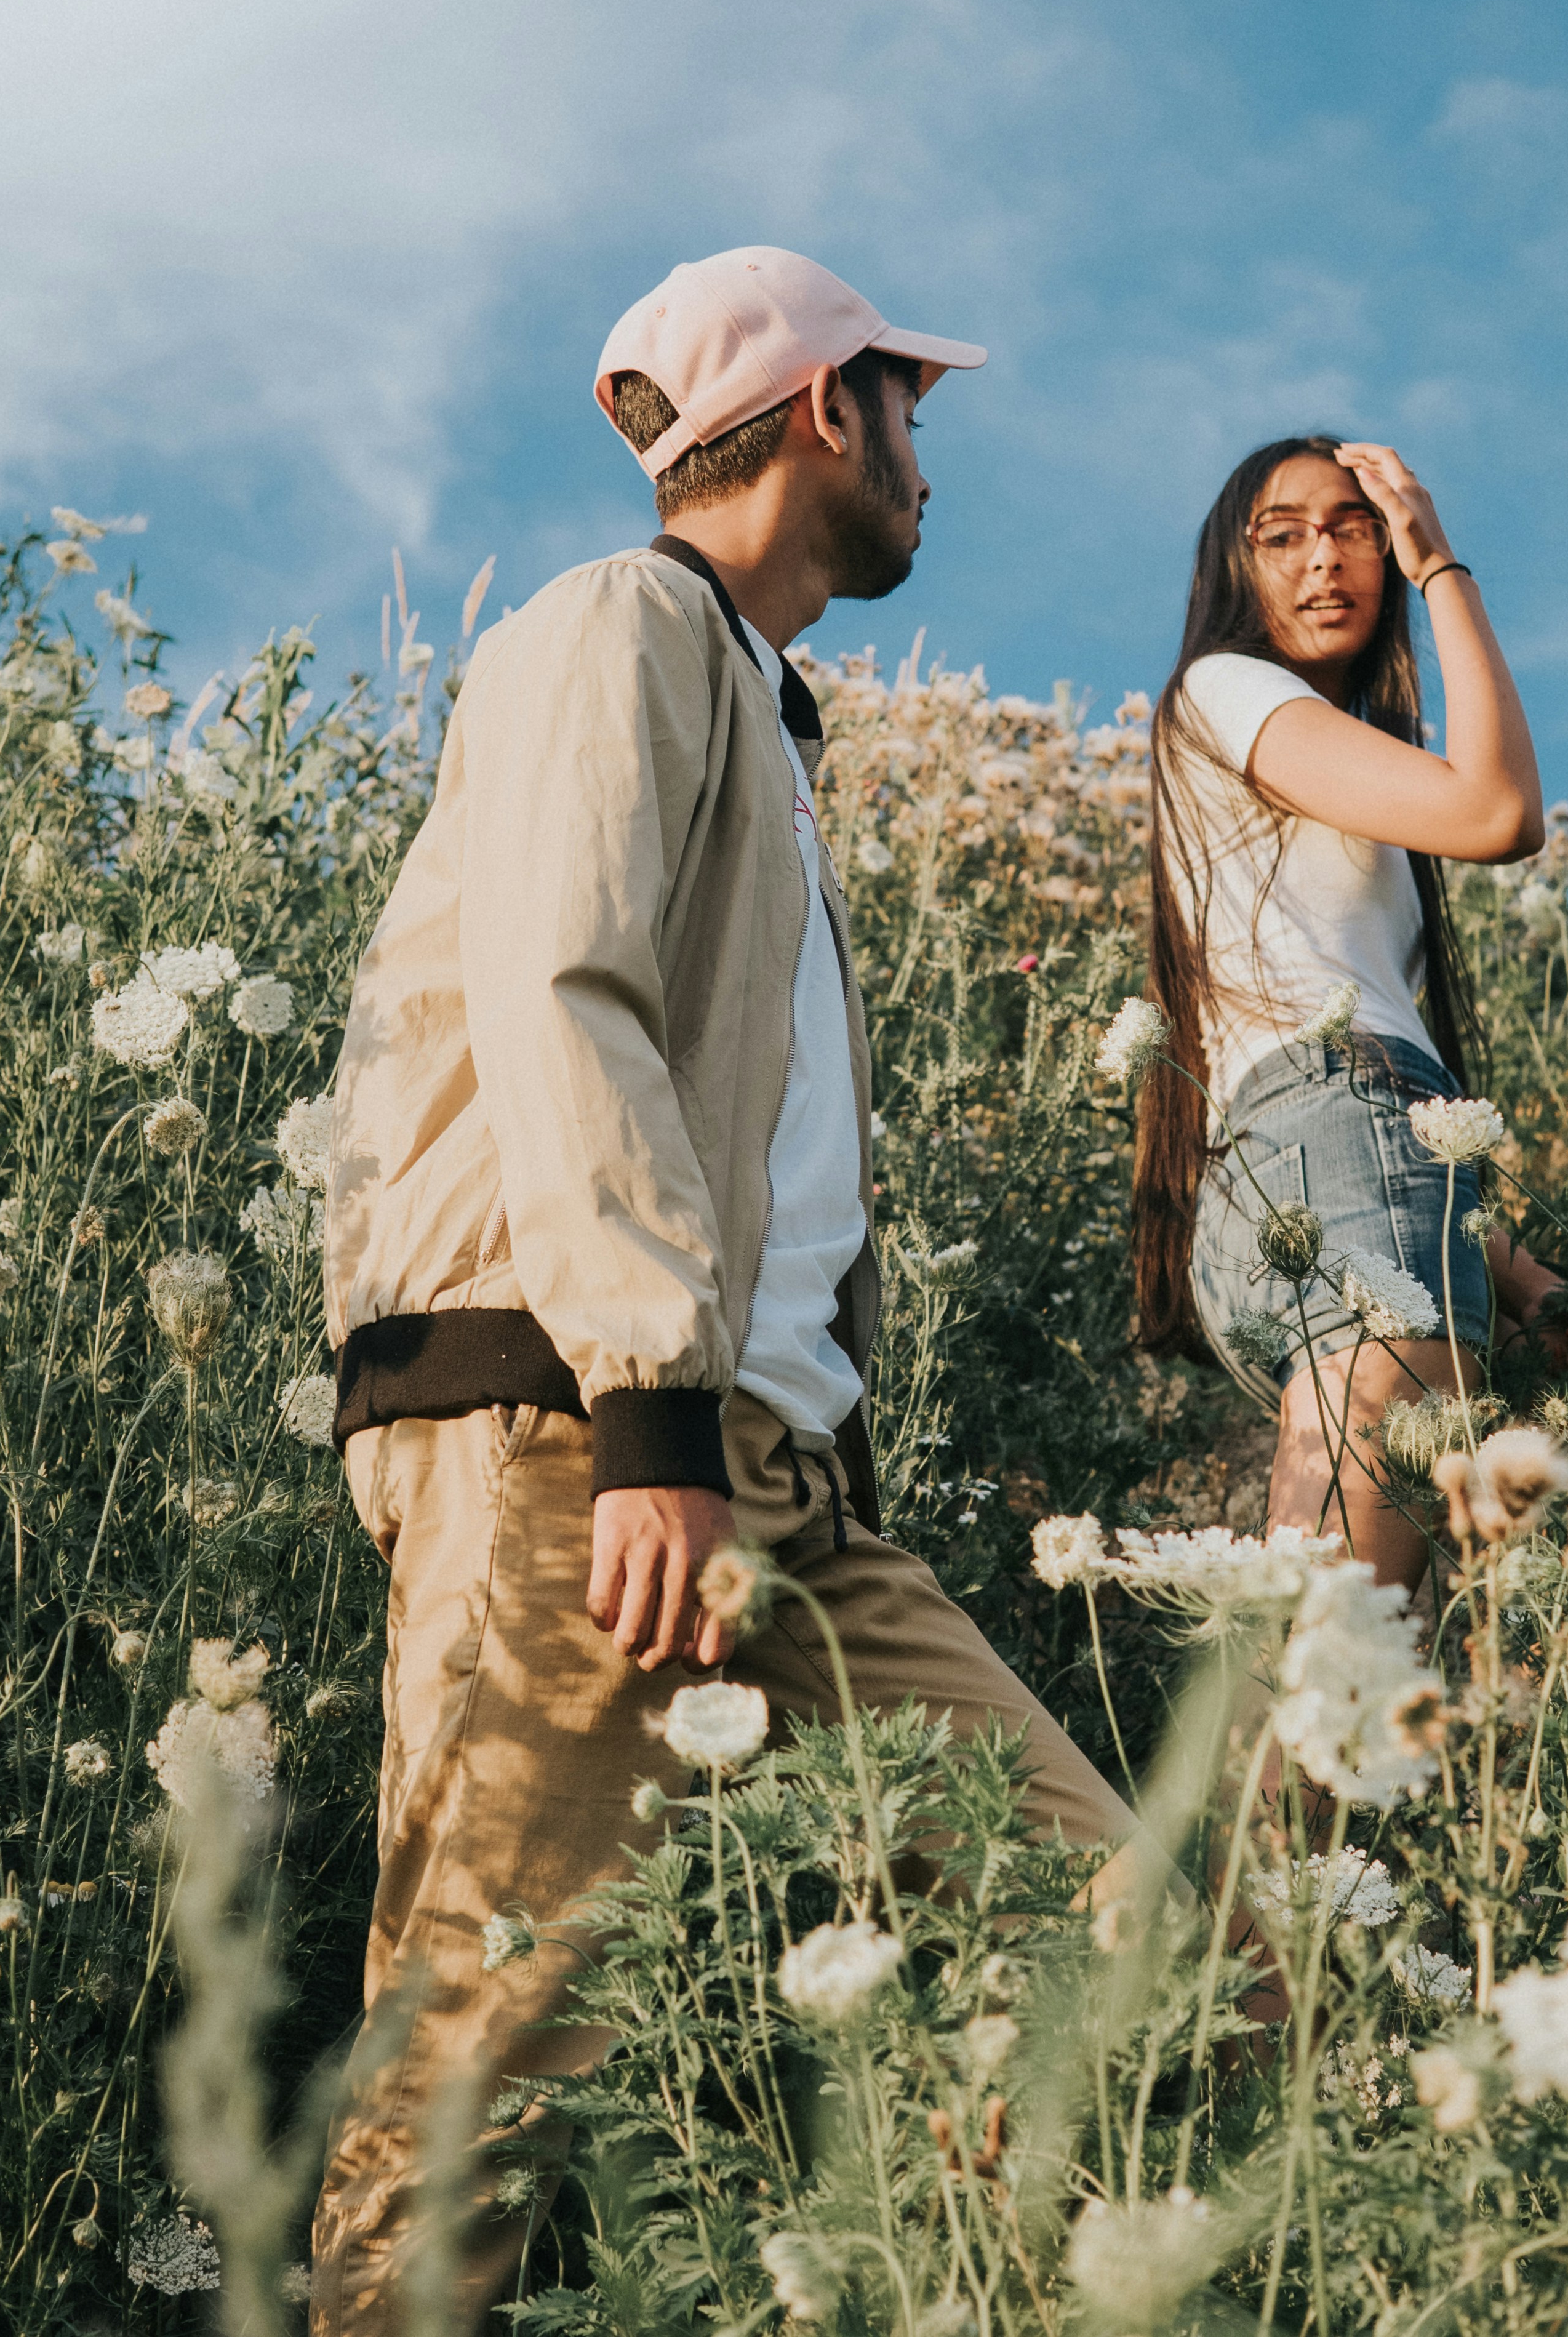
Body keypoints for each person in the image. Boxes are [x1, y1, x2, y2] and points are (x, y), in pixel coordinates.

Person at [309, 248, 1140, 2335]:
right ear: (819, 409)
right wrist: (654, 1422)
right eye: (908, 409)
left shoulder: (761, 716)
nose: (927, 459)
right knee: (474, 2089)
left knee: (1144, 1943)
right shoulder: (613, 631)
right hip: (580, 1447)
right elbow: (557, 999)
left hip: (784, 1498)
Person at [1133, 435, 1565, 1593]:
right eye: (1285, 536)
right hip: (1333, 1153)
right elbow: (1501, 809)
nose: (1326, 559)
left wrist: (1522, 1281)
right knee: (1350, 1671)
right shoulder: (1228, 687)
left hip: (1332, 1170)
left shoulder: (1332, 769)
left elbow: (1379, 1104)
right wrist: (1440, 565)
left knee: (1355, 1673)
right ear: (1237, 568)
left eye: (1355, 528)